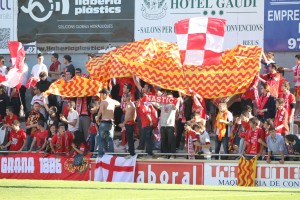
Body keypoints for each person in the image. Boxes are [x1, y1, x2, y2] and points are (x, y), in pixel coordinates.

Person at [96, 88, 120, 157]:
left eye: (101, 94)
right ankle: (111, 154)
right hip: (111, 122)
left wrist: (97, 118)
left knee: (101, 138)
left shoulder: (103, 102)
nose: (101, 95)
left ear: (105, 94)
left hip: (104, 122)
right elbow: (118, 104)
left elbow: (100, 112)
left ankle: (100, 154)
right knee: (110, 139)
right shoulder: (112, 101)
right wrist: (112, 104)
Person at [155, 90, 179, 159]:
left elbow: (177, 105)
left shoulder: (173, 105)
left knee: (171, 140)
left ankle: (172, 155)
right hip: (163, 125)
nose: (168, 99)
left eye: (170, 98)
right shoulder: (163, 104)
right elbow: (157, 104)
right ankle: (164, 154)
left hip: (170, 125)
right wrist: (149, 99)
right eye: (167, 98)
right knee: (163, 140)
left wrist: (176, 100)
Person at [119, 93, 137, 158]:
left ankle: (131, 153)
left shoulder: (129, 105)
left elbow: (128, 116)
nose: (123, 98)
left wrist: (123, 123)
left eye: (124, 97)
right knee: (130, 139)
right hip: (131, 123)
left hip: (129, 123)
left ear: (127, 98)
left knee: (130, 139)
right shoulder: (132, 104)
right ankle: (131, 152)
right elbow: (135, 114)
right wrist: (133, 120)